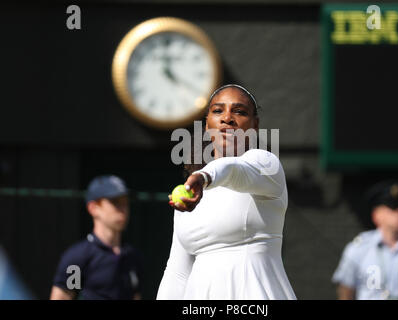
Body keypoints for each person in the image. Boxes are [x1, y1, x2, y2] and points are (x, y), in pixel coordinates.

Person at [157, 84, 296, 300]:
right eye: (218, 110)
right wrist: (200, 180)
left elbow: (234, 171)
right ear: (207, 124)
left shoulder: (266, 165)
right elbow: (177, 273)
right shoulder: (191, 191)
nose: (227, 118)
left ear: (255, 125)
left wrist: (203, 178)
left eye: (239, 111)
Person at [50, 175, 143, 300]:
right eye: (115, 202)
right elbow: (62, 297)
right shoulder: (78, 257)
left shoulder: (132, 256)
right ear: (93, 208)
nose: (123, 209)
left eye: (125, 202)